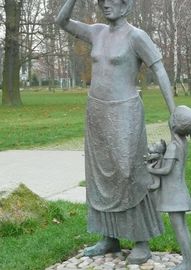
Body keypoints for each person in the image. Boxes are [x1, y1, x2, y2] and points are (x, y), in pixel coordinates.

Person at [55, 0, 175, 264]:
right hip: (96, 111)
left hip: (125, 112)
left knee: (129, 172)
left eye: (112, 1)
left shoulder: (136, 36)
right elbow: (61, 22)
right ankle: (109, 237)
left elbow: (160, 70)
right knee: (101, 177)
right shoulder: (96, 31)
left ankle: (141, 240)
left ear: (126, 6)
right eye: (102, 1)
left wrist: (173, 111)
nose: (105, 5)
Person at [147, 105, 191, 270]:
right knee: (182, 228)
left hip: (174, 195)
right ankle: (187, 261)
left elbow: (166, 170)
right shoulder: (181, 142)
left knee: (179, 229)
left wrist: (148, 168)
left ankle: (186, 263)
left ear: (174, 124)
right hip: (179, 192)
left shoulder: (173, 146)